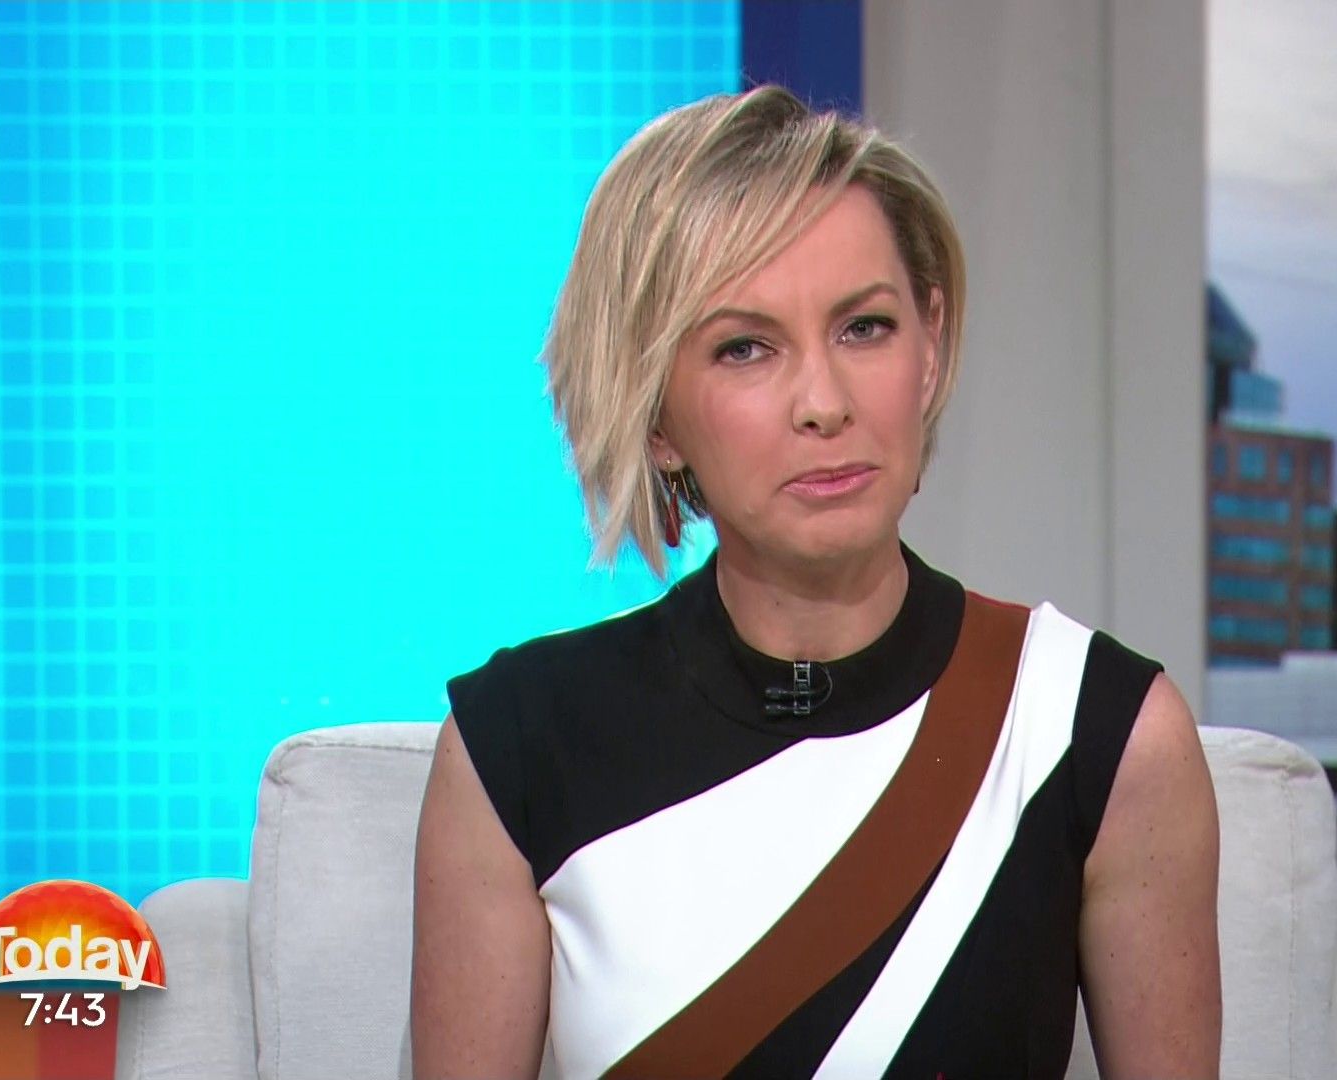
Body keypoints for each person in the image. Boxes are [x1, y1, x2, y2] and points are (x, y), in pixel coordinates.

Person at [410, 84, 1220, 1079]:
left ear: (929, 348)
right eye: (745, 348)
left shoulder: (1099, 731)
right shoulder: (518, 745)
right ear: (656, 419)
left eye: (864, 328)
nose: (824, 404)